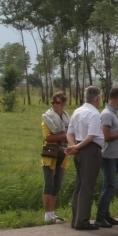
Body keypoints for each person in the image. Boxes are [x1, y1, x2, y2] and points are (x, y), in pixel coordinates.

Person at [66, 86, 104, 231]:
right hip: (90, 149)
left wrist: (73, 146)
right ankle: (82, 220)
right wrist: (77, 147)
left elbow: (69, 133)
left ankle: (76, 218)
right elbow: (91, 137)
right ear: (97, 99)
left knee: (80, 184)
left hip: (79, 149)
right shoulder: (94, 114)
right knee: (87, 186)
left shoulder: (77, 111)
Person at [96, 87, 118, 227]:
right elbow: (105, 136)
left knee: (108, 186)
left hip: (114, 155)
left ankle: (106, 215)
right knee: (110, 186)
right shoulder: (107, 114)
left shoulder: (113, 114)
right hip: (107, 155)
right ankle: (100, 217)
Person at [40, 92, 71, 223]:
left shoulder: (66, 117)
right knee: (49, 183)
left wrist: (65, 136)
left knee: (57, 184)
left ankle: (52, 212)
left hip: (63, 152)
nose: (54, 105)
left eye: (57, 102)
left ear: (63, 104)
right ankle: (47, 214)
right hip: (50, 153)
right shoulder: (47, 118)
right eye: (53, 102)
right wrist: (64, 136)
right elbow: (47, 137)